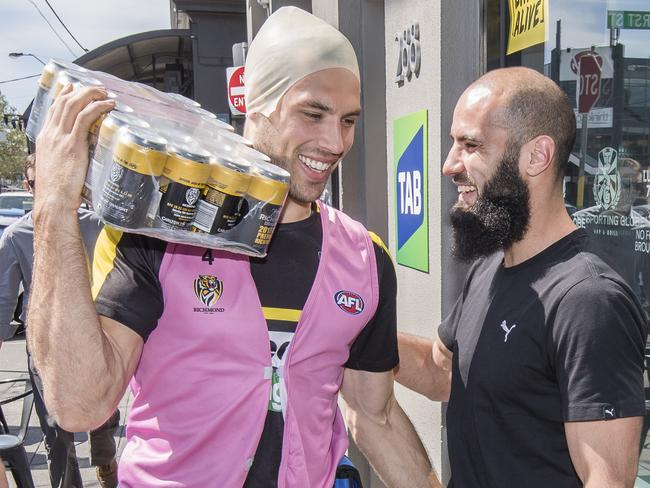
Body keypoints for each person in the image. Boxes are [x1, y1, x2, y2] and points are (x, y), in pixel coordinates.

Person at [27, 7, 440, 488]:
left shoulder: (364, 258)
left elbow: (378, 417)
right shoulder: (158, 234)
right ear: (257, 102)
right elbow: (79, 403)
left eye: (348, 120)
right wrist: (52, 210)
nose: (334, 141)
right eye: (313, 113)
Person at [396, 67, 647, 487]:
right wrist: (353, 331)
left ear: (537, 156)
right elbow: (443, 371)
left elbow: (606, 481)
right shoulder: (491, 265)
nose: (448, 165)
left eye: (470, 145)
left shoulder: (589, 300)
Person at [0, 154, 120, 488]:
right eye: (39, 183)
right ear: (29, 186)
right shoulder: (15, 237)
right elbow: (2, 302)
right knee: (57, 434)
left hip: (96, 340)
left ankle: (107, 467)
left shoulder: (98, 225)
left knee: (103, 421)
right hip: (46, 351)